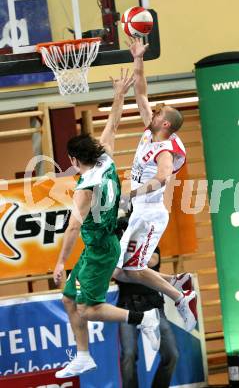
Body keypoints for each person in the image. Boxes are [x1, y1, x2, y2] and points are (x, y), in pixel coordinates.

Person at [53, 69, 161, 379]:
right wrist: (118, 94)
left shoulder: (85, 187)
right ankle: (83, 356)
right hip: (96, 247)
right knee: (69, 299)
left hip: (101, 250)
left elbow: (73, 229)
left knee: (88, 309)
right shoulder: (106, 160)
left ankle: (143, 318)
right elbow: (112, 124)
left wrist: (61, 261)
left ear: (74, 160)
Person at [113, 38, 197, 332]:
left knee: (131, 269)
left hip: (150, 213)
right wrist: (138, 58)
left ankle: (179, 296)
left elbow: (162, 178)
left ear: (166, 125)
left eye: (159, 113)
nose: (152, 112)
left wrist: (130, 194)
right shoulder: (152, 131)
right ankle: (176, 284)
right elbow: (141, 89)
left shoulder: (165, 149)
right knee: (118, 271)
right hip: (139, 210)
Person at [116, 216, 179, 388]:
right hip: (127, 305)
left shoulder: (150, 239)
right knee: (128, 355)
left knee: (171, 354)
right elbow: (115, 271)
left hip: (153, 305)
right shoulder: (116, 242)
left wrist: (130, 265)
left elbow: (153, 261)